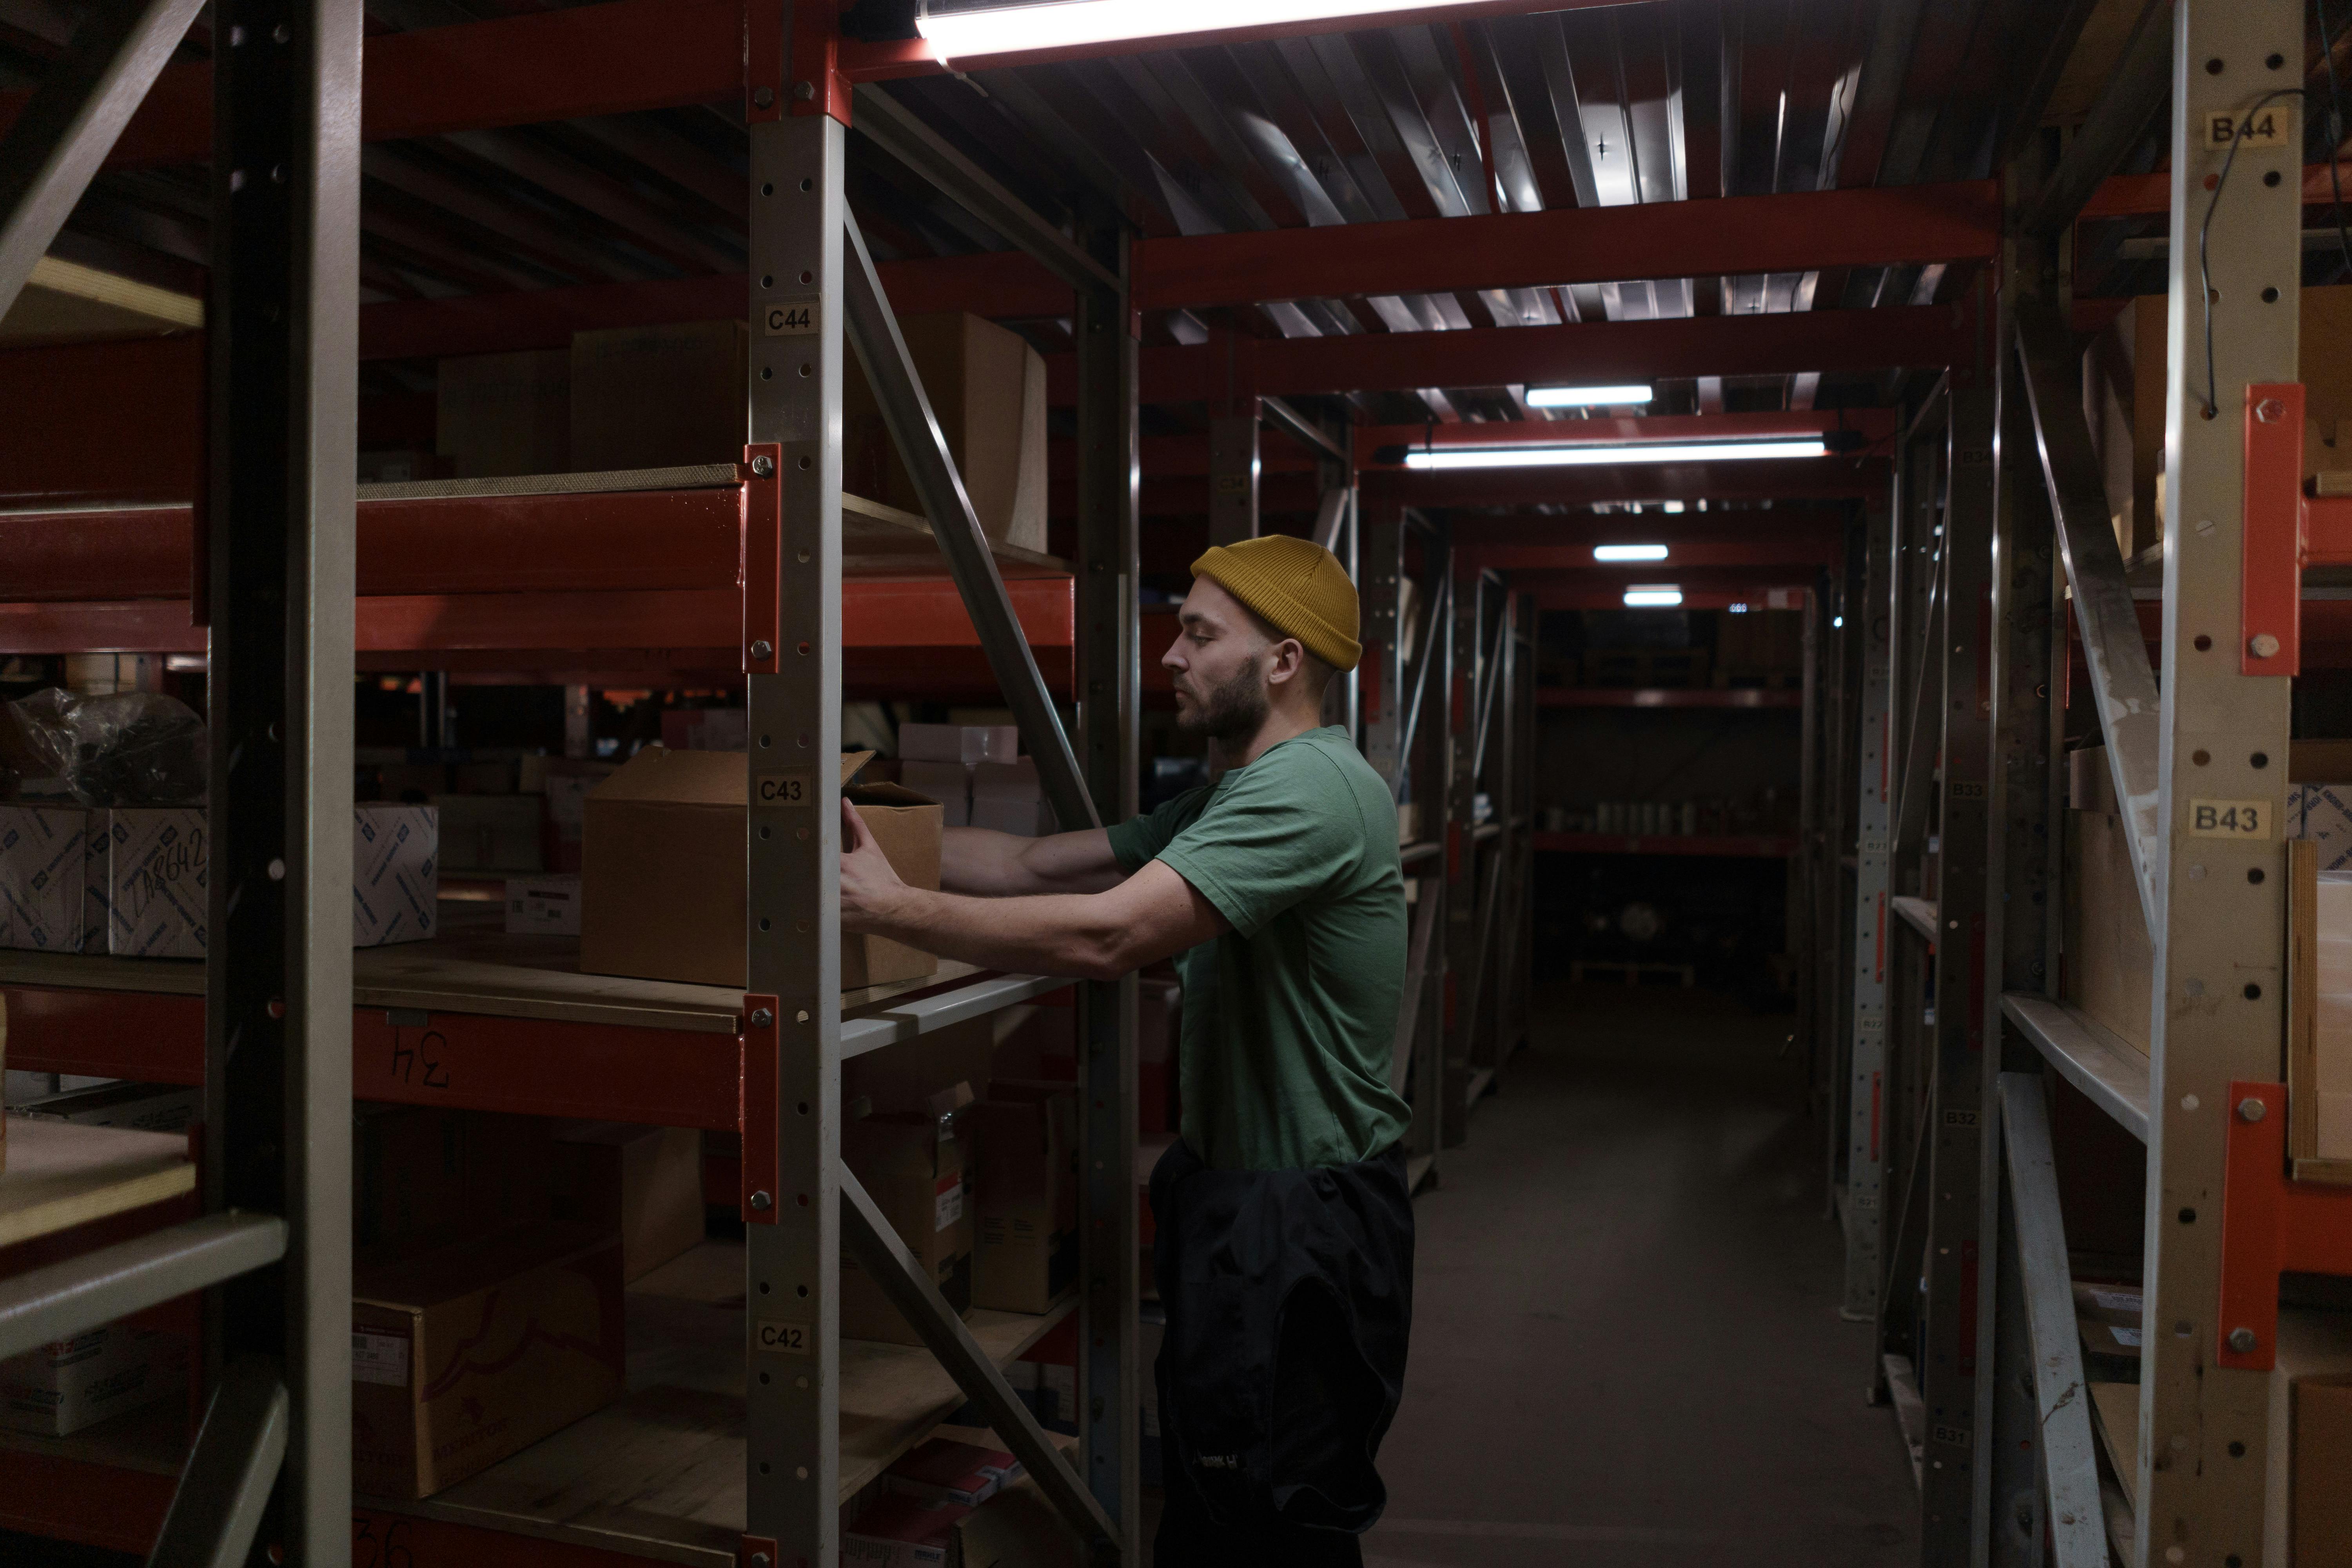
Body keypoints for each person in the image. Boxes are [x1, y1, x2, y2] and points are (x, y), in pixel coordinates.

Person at [838, 534, 1414, 1566]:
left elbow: (1108, 935)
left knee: (1273, 1522)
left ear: (1282, 663)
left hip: (1304, 1221)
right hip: (1240, 1199)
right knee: (1212, 1498)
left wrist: (891, 909)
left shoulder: (1310, 792)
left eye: (1199, 634)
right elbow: (1023, 864)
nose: (1171, 657)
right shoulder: (1233, 799)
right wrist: (875, 837)